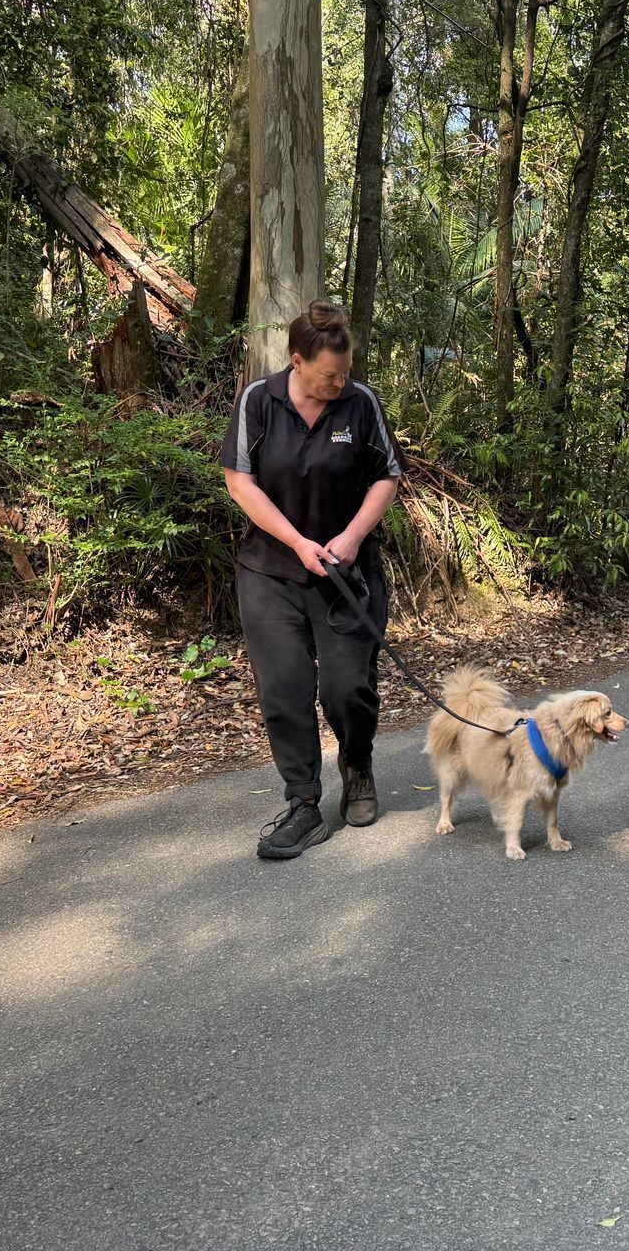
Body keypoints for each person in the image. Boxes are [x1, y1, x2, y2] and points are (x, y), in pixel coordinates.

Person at [218, 301, 404, 859]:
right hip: (270, 573)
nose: (340, 383)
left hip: (347, 575)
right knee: (284, 690)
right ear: (297, 362)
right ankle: (303, 803)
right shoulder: (259, 401)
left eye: (345, 373)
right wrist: (297, 542)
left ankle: (357, 764)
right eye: (329, 375)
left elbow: (386, 479)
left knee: (347, 690)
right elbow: (240, 482)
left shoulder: (360, 404)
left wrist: (347, 539)